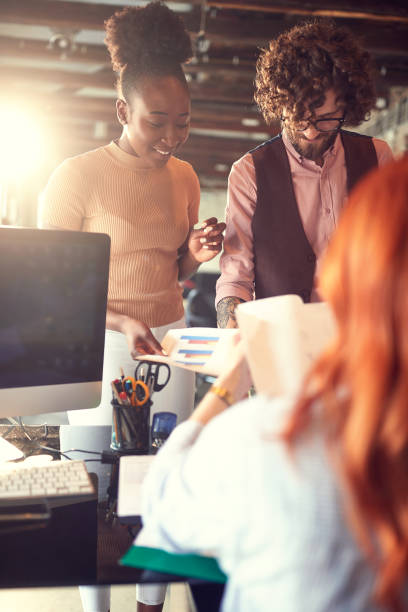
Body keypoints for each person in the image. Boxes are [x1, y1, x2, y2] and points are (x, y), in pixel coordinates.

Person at [136, 156, 408, 611]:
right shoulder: (250, 170)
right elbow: (235, 270)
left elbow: (162, 508)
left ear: (348, 280)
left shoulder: (269, 439)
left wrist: (228, 387)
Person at [38, 2, 225, 611]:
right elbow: (54, 289)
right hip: (97, 345)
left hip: (169, 343)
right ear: (122, 111)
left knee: (160, 486)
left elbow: (176, 269)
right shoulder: (76, 177)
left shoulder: (187, 177)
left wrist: (195, 252)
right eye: (156, 122)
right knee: (94, 490)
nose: (170, 138)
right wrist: (120, 319)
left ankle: (150, 607)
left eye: (183, 123)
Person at [215, 19, 394, 329]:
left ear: (347, 105)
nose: (311, 132)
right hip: (284, 342)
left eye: (326, 119)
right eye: (299, 119)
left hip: (364, 337)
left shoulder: (378, 158)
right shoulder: (249, 173)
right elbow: (236, 274)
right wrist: (231, 328)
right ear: (279, 104)